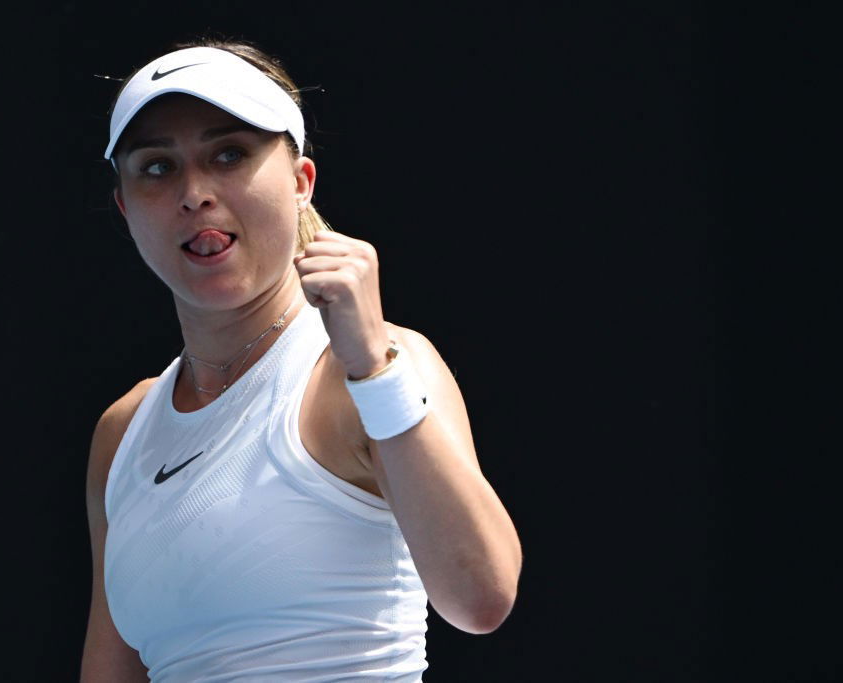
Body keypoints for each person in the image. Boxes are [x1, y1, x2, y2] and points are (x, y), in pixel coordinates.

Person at [80, 40, 523, 682]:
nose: (194, 192)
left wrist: (375, 365)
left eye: (228, 154)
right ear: (125, 207)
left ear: (299, 181)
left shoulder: (373, 369)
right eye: (156, 167)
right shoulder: (121, 432)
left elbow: (481, 598)